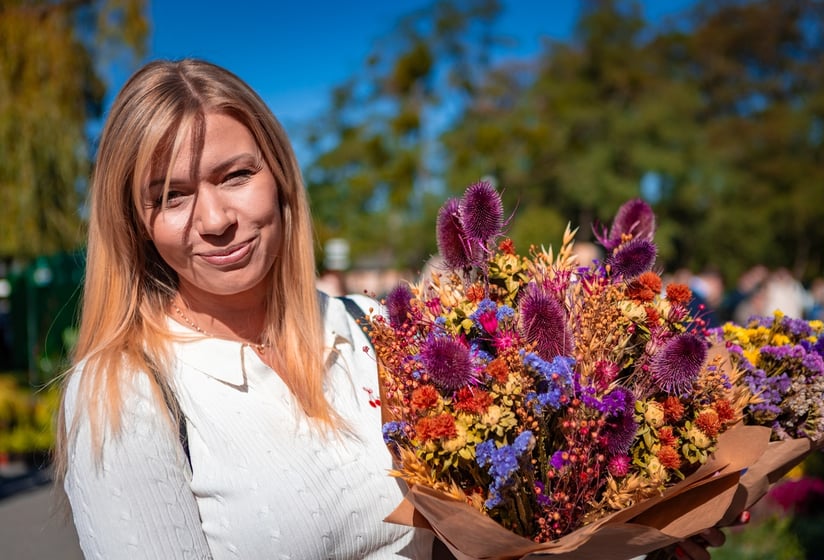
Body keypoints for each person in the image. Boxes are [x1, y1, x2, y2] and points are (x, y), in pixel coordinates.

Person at [54, 58, 735, 560]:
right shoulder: (126, 393)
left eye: (235, 175)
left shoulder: (371, 328)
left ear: (281, 177)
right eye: (171, 196)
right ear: (136, 223)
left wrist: (650, 529)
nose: (215, 220)